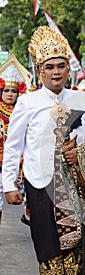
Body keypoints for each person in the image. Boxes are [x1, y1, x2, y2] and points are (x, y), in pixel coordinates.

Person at [2, 26, 85, 275]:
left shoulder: (82, 99)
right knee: (47, 244)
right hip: (39, 183)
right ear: (39, 70)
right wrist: (9, 184)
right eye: (50, 67)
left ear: (68, 68)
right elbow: (14, 146)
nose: (56, 71)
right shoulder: (28, 102)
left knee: (72, 243)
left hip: (73, 183)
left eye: (61, 65)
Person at [0, 54, 29, 224]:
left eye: (13, 91)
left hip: (22, 163)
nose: (10, 94)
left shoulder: (24, 111)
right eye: (6, 91)